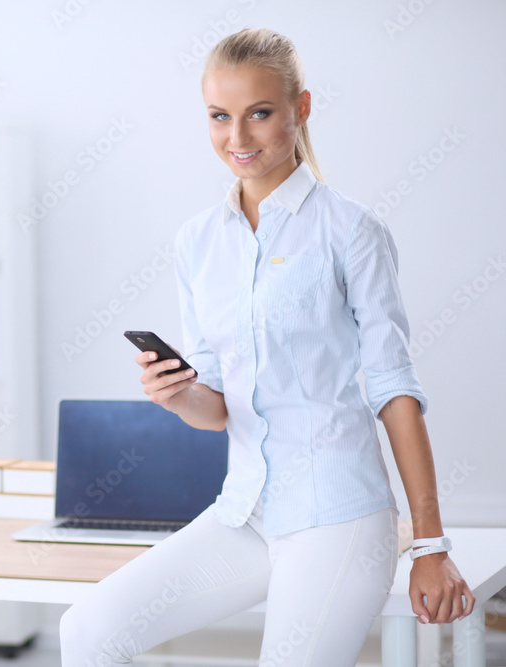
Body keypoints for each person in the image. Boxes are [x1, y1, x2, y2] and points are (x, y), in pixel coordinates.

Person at [58, 27, 475, 666]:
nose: (238, 138)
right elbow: (217, 406)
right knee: (87, 630)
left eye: (259, 114)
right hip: (244, 513)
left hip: (339, 516)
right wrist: (178, 395)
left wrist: (430, 546)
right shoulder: (197, 242)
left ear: (300, 109)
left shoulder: (352, 232)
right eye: (220, 117)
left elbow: (394, 390)